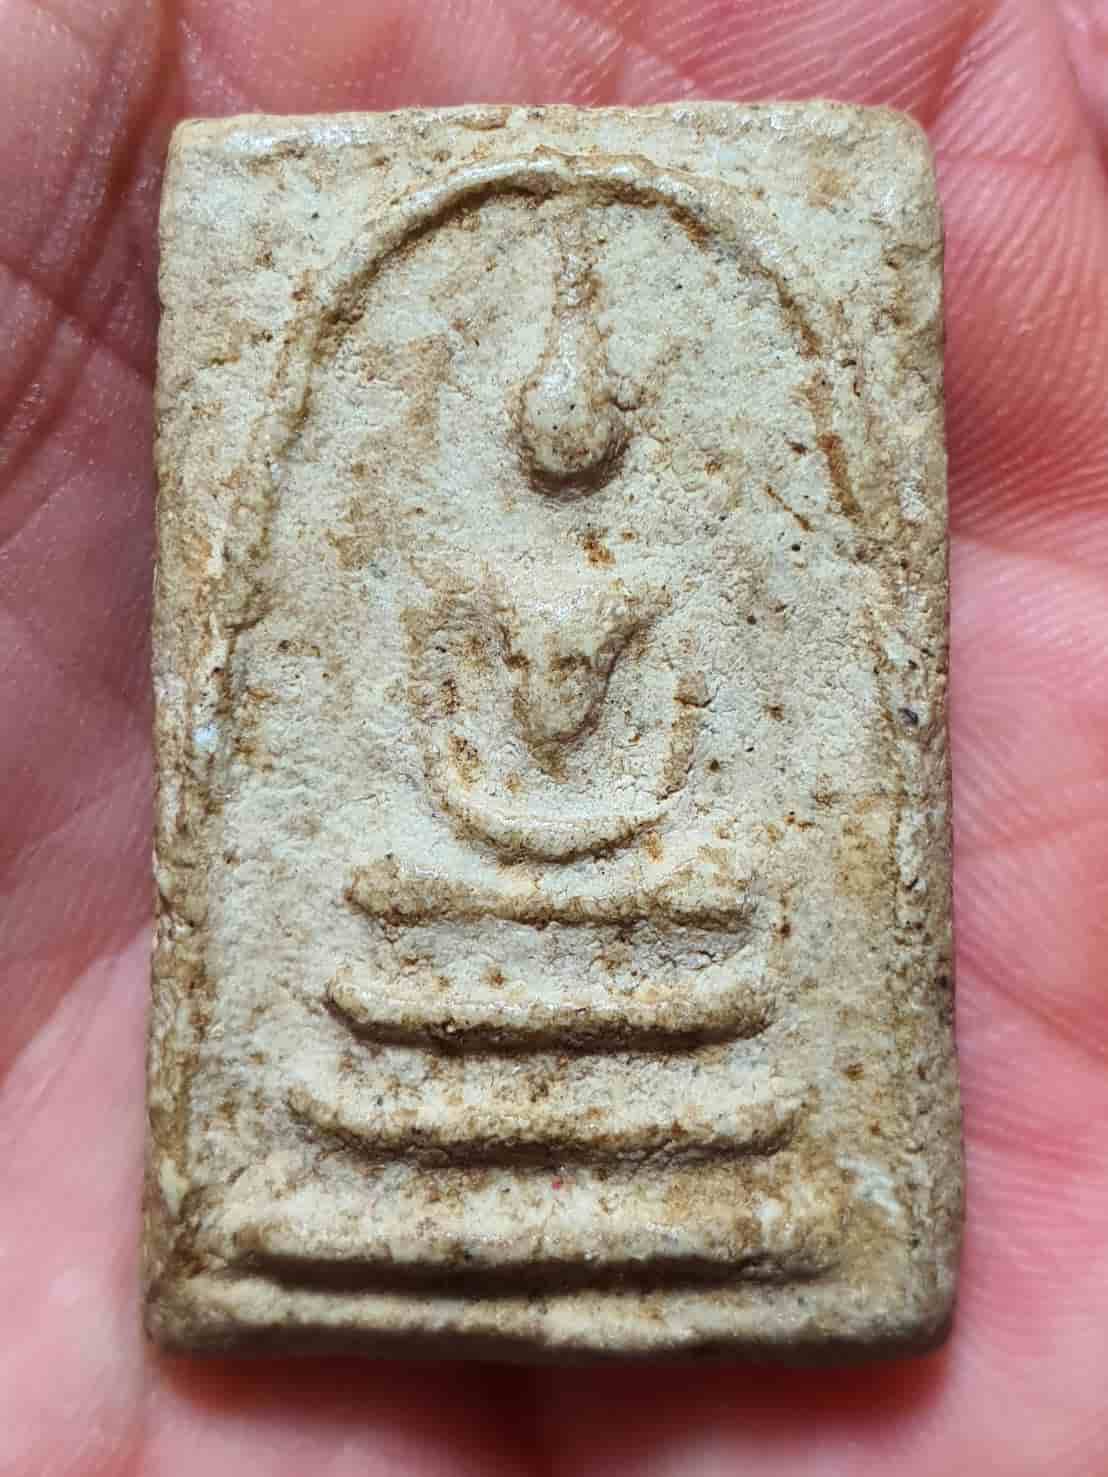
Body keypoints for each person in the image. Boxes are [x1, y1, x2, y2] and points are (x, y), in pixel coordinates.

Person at [1, 1, 1105, 1472]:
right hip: (469, 862)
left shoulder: (648, 584)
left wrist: (606, 820)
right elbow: (447, 745)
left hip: (626, 856)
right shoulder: (465, 580)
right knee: (396, 910)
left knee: (704, 925)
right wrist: (499, 818)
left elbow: (665, 747)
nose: (567, 440)